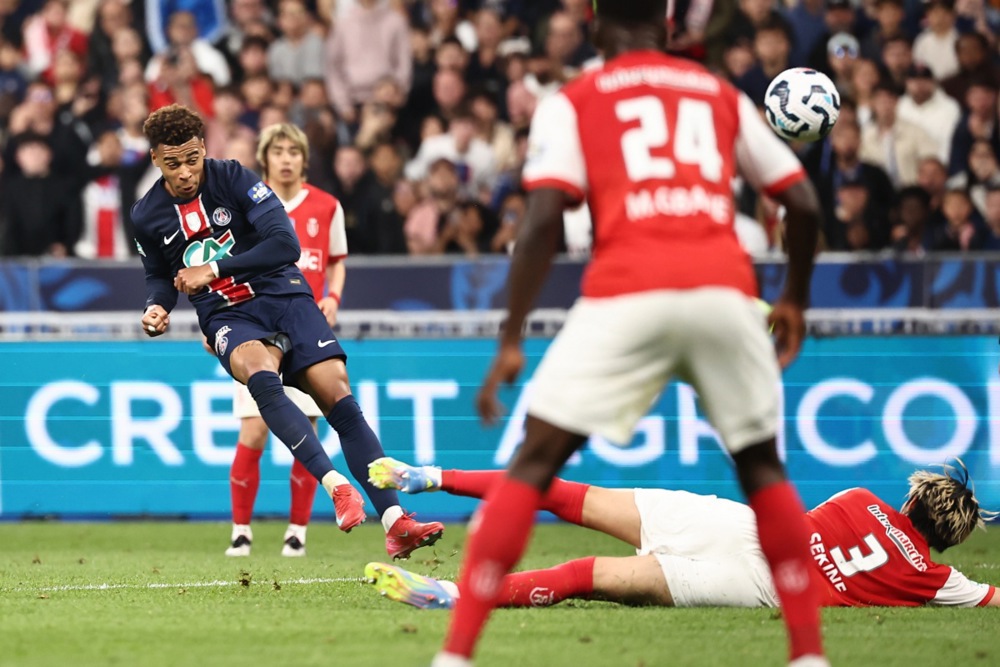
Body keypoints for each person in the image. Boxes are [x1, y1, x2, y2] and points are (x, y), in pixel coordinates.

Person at [428, 1, 829, 666]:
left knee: (533, 465)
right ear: (670, 28)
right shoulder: (719, 94)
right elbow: (805, 205)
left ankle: (457, 654)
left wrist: (510, 336)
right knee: (761, 466)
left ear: (593, 28)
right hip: (723, 291)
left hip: (627, 290)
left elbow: (543, 218)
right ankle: (808, 654)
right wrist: (792, 299)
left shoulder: (575, 99)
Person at [132, 104, 443, 560]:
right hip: (227, 315)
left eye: (192, 158)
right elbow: (159, 276)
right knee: (260, 373)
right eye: (172, 163)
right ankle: (335, 485)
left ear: (204, 149)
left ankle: (397, 522)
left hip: (284, 296)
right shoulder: (146, 215)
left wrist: (212, 267)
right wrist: (156, 307)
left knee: (339, 398)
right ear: (156, 160)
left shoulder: (234, 178)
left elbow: (286, 244)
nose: (184, 172)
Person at [364, 458, 998, 610]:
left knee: (569, 497)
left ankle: (432, 476)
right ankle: (448, 594)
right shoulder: (937, 581)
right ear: (950, 536)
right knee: (591, 575)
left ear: (915, 494)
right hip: (755, 582)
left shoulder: (859, 498)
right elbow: (991, 599)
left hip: (739, 528)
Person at [222, 122, 346, 558]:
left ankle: (297, 532)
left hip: (304, 326)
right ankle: (240, 530)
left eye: (294, 150)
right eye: (279, 151)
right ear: (265, 158)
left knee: (307, 429)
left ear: (304, 158)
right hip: (254, 327)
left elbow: (335, 262)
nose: (287, 158)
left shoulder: (327, 206)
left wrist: (332, 296)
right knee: (254, 431)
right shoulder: (244, 205)